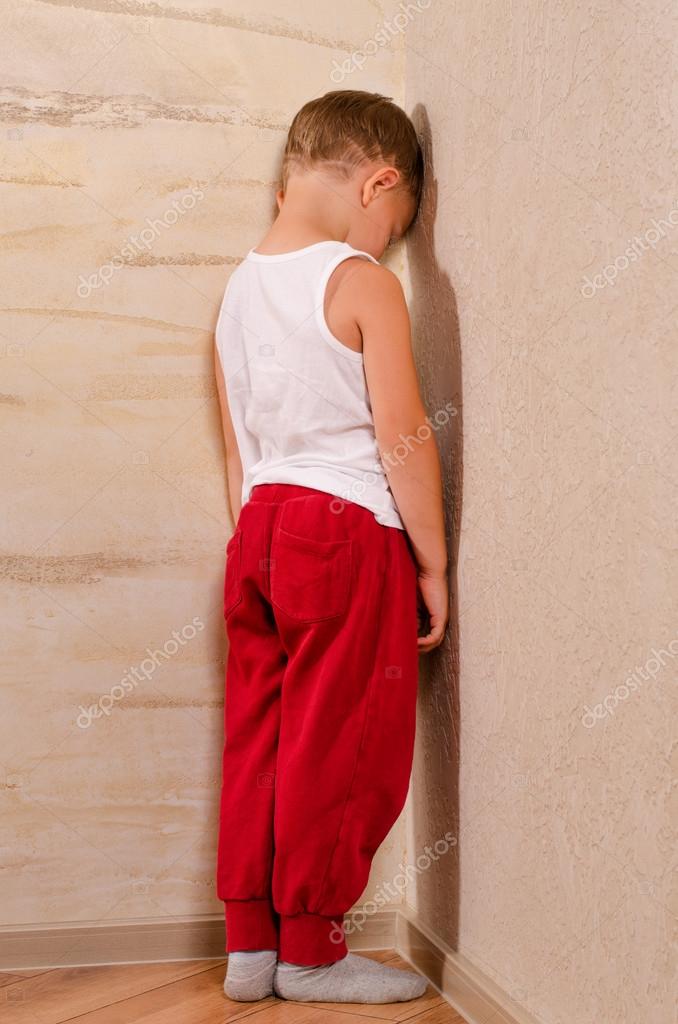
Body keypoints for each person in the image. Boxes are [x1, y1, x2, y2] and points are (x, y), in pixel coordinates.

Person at [214, 89, 448, 1004]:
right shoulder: (359, 282)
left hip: (259, 531)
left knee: (261, 734)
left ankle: (251, 948)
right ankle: (312, 951)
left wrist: (255, 538)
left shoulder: (236, 294)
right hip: (344, 528)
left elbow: (241, 449)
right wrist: (430, 560)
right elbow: (402, 435)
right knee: (343, 736)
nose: (385, 245)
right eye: (390, 226)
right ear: (377, 182)